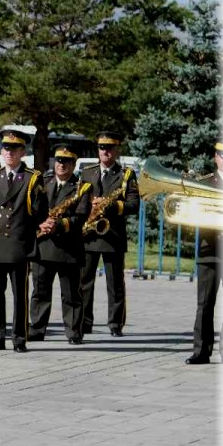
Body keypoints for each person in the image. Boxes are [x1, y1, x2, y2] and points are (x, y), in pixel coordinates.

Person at [0, 129, 47, 353]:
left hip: (18, 244)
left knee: (19, 294)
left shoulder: (32, 178)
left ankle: (19, 337)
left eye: (14, 149)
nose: (9, 152)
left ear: (22, 152)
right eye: (6, 148)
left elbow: (39, 211)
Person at [78, 131, 140, 338]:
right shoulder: (87, 173)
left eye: (110, 148)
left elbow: (133, 205)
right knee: (84, 282)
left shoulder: (126, 175)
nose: (106, 152)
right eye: (102, 148)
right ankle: (85, 322)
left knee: (115, 283)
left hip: (112, 235)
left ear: (116, 150)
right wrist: (89, 206)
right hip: (89, 234)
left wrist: (110, 205)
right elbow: (78, 200)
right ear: (98, 150)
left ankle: (115, 324)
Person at [28, 143, 90, 345]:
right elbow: (32, 208)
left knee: (71, 294)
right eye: (59, 161)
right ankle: (37, 329)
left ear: (73, 164)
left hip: (68, 250)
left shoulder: (82, 187)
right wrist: (40, 222)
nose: (61, 165)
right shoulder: (42, 182)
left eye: (67, 162)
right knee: (40, 292)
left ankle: (73, 332)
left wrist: (58, 225)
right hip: (43, 246)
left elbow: (81, 216)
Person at [185, 140, 223, 365]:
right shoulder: (205, 183)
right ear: (215, 157)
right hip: (208, 250)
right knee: (204, 303)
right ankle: (201, 351)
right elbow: (192, 216)